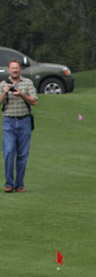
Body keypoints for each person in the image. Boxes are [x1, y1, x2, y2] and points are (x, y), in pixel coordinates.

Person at [2, 59, 38, 193]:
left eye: (17, 68)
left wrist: (21, 94)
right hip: (9, 122)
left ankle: (20, 185)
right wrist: (5, 92)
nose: (15, 70)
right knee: (9, 152)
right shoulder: (3, 84)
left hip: (24, 121)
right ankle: (9, 183)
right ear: (9, 70)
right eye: (12, 68)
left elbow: (34, 101)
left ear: (20, 70)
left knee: (22, 154)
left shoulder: (27, 83)